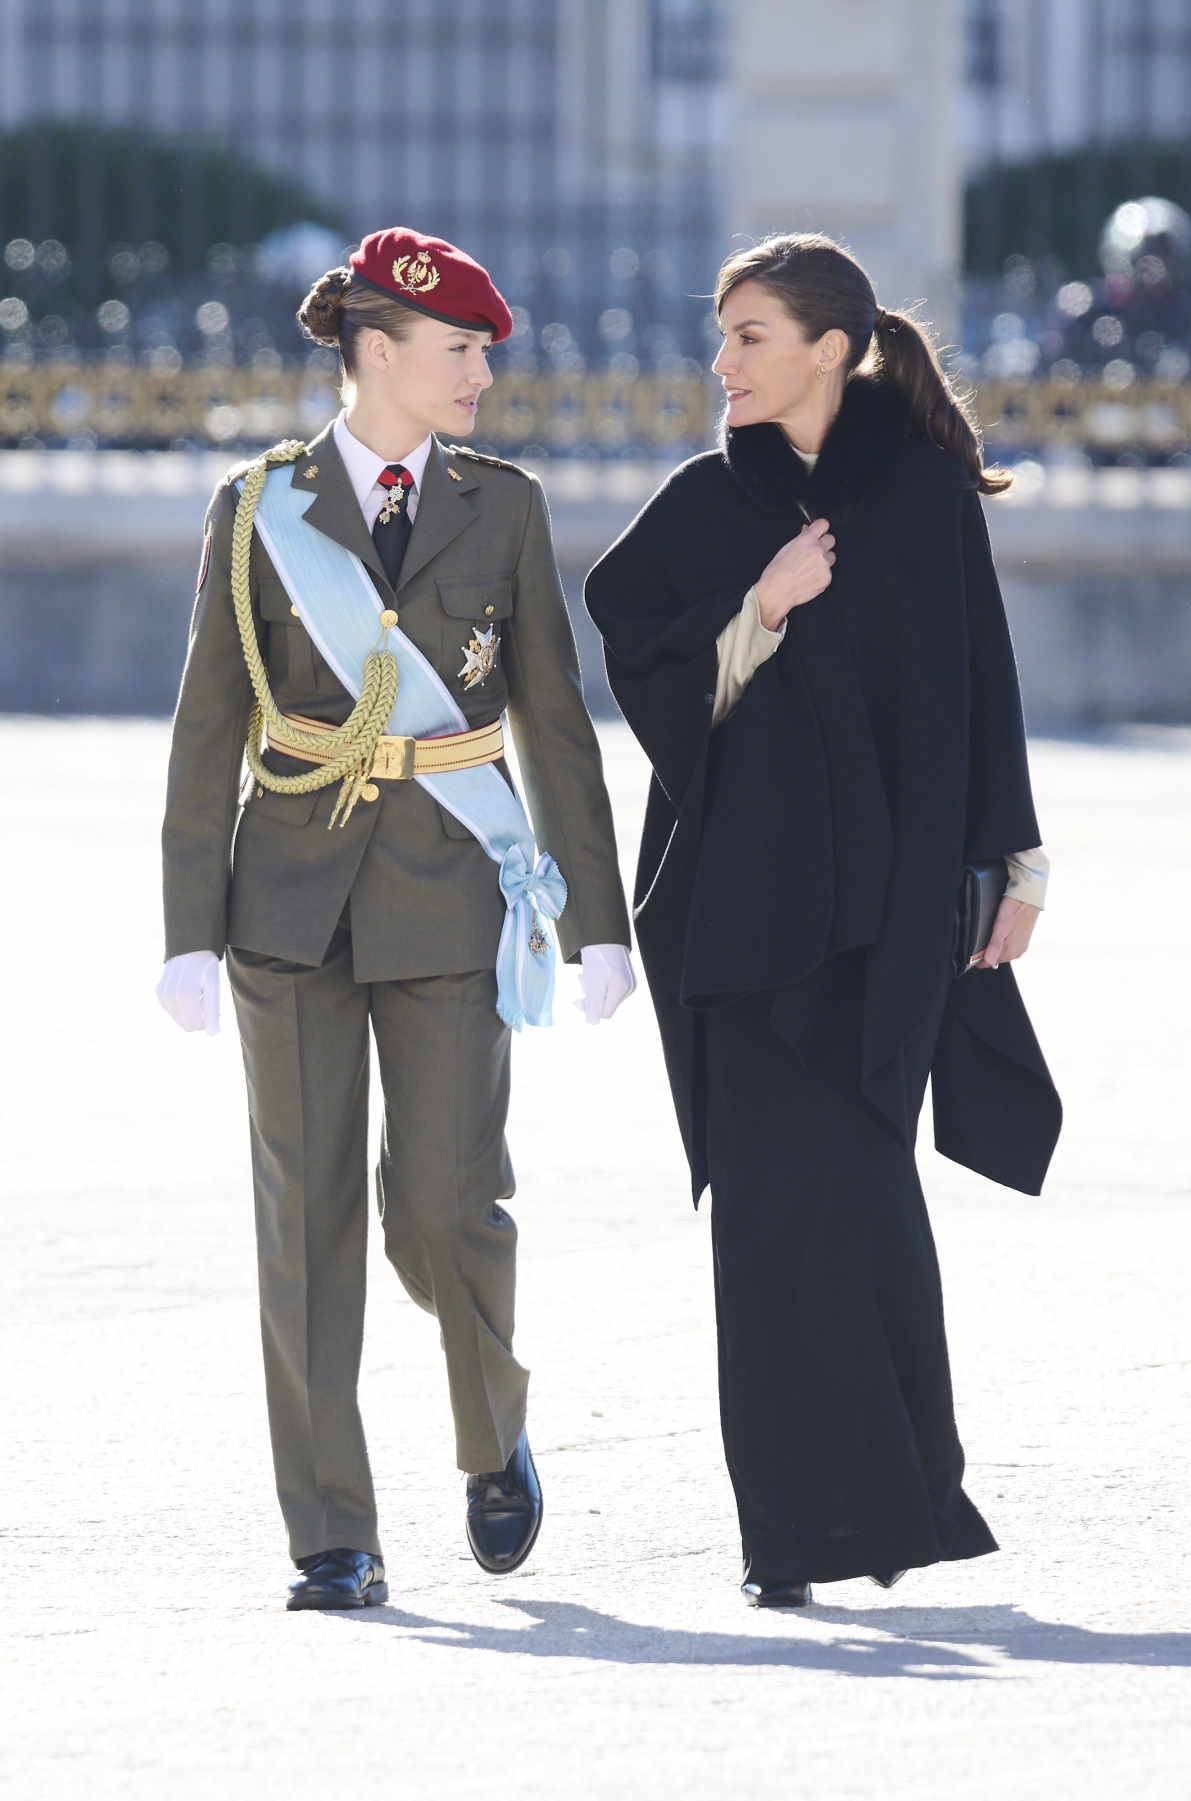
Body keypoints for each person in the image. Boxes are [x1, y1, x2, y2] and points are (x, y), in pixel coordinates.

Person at [157, 226, 635, 1611]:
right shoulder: (260, 507)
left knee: (444, 1208)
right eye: (460, 348)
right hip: (289, 902)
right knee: (302, 1225)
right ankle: (333, 1532)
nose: (482, 371)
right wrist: (189, 923)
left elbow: (553, 721)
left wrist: (598, 918)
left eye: (483, 349)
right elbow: (208, 723)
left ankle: (493, 1424)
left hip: (449, 892)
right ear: (377, 351)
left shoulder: (505, 504)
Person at [585, 233, 1062, 1608]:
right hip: (742, 918)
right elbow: (646, 657)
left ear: (831, 349)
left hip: (893, 915)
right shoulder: (703, 504)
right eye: (720, 332)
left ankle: (908, 1498)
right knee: (766, 1224)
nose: (720, 359)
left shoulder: (918, 494)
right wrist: (761, 607)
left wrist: (1013, 866)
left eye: (747, 334)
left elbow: (981, 673)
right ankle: (790, 1538)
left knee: (866, 1199)